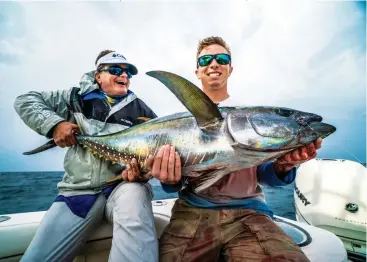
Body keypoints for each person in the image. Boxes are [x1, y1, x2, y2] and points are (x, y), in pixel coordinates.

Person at [150, 36, 323, 262]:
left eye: (222, 59)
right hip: (192, 211)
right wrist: (169, 180)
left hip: (249, 213)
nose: (214, 64)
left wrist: (283, 166)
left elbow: (262, 174)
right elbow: (177, 184)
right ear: (197, 71)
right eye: (206, 60)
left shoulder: (248, 114)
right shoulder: (178, 124)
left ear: (230, 68)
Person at [14, 50, 159, 262]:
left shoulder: (142, 111)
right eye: (116, 70)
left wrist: (143, 175)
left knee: (136, 199)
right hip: (78, 190)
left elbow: (153, 154)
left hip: (123, 187)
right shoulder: (74, 98)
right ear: (97, 75)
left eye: (128, 73)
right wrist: (54, 124)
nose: (124, 76)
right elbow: (25, 100)